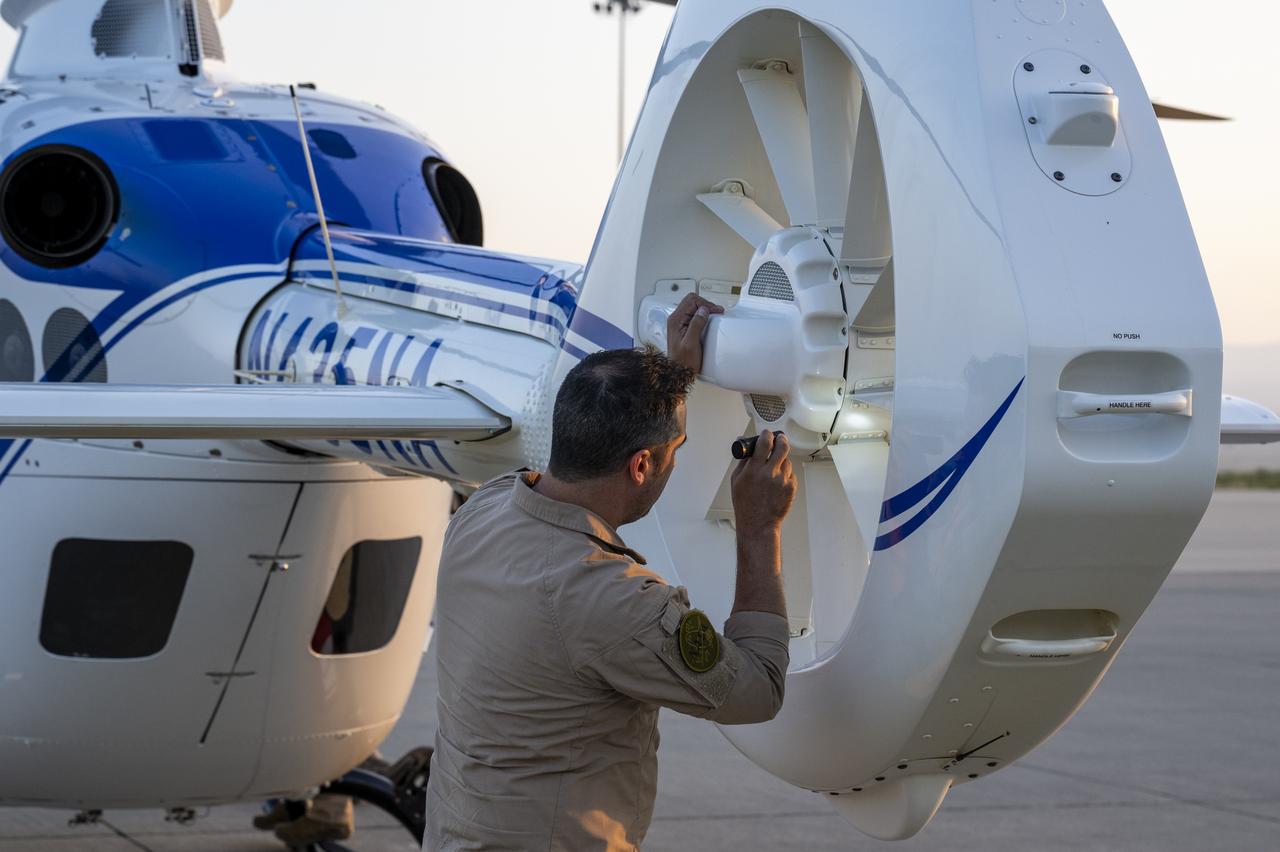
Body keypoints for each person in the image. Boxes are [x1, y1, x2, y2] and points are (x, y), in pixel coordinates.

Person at [425, 293, 797, 850]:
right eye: (675, 451)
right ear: (641, 465)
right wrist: (759, 529)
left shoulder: (486, 508)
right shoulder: (615, 604)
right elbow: (758, 690)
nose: (675, 463)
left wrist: (669, 383)